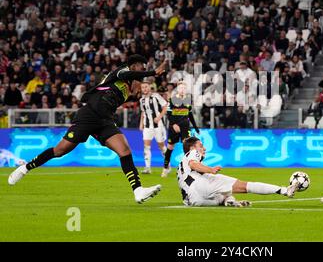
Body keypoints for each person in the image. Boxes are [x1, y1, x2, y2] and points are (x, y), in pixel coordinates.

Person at [8, 55, 166, 204]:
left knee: (124, 150)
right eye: (141, 68)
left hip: (105, 120)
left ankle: (138, 191)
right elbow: (128, 75)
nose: (142, 77)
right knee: (60, 150)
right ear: (133, 65)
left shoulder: (128, 86)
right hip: (88, 115)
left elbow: (132, 86)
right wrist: (153, 72)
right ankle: (24, 168)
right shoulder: (120, 72)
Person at [177, 137, 302, 207]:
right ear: (192, 148)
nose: (203, 148)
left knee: (222, 195)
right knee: (246, 186)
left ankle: (228, 201)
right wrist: (211, 169)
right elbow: (193, 164)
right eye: (200, 145)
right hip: (201, 186)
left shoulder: (180, 167)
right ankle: (284, 190)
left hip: (193, 199)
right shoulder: (192, 153)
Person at [162, 80, 200, 177]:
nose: (182, 90)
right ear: (177, 89)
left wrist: (195, 127)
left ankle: (187, 168)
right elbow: (168, 114)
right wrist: (174, 124)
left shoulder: (188, 100)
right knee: (170, 147)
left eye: (184, 88)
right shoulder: (172, 100)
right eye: (180, 88)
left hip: (185, 127)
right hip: (174, 127)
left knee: (187, 147)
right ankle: (165, 168)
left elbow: (189, 114)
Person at [139, 82, 168, 174]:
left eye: (146, 87)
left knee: (162, 146)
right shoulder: (141, 100)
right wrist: (141, 124)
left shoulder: (156, 96)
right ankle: (147, 168)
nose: (144, 89)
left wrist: (159, 117)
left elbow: (165, 106)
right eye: (143, 87)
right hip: (147, 126)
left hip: (158, 125)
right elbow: (143, 112)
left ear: (149, 87)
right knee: (146, 146)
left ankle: (167, 166)